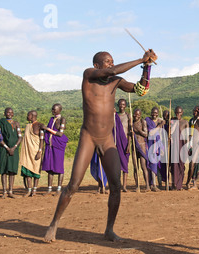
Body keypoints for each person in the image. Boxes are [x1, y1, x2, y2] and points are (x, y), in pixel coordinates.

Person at [44, 49, 157, 243]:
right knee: (73, 185)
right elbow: (109, 72)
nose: (110, 64)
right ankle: (54, 224)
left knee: (115, 185)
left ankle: (109, 229)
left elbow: (141, 90)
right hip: (88, 137)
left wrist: (146, 68)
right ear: (97, 65)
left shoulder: (116, 81)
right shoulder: (89, 75)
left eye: (112, 61)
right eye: (107, 61)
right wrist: (140, 58)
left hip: (107, 139)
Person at [41, 103, 69, 195]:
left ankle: (58, 189)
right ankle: (49, 189)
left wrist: (48, 129)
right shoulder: (51, 119)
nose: (53, 111)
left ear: (59, 110)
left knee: (59, 166)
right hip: (50, 146)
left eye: (54, 109)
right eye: (52, 109)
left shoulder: (62, 119)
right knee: (50, 167)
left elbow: (60, 134)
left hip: (59, 146)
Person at [0, 107, 22, 199]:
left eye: (11, 112)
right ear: (4, 113)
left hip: (14, 149)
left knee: (12, 170)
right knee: (4, 170)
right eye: (7, 112)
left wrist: (14, 147)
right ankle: (4, 192)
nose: (9, 114)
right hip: (4, 149)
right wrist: (7, 148)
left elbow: (20, 137)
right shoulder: (1, 123)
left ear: (13, 114)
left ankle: (10, 191)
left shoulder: (16, 124)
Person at [19, 111, 44, 197]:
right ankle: (29, 190)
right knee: (28, 171)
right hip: (27, 152)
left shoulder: (40, 125)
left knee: (36, 171)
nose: (27, 116)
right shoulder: (27, 126)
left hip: (36, 151)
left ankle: (34, 190)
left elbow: (41, 140)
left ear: (32, 116)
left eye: (28, 115)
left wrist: (40, 151)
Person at [131, 108, 152, 192]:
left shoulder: (143, 122)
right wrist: (131, 133)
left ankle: (147, 185)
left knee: (143, 167)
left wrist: (138, 130)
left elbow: (146, 134)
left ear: (140, 115)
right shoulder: (131, 123)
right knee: (136, 167)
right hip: (134, 147)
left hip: (142, 146)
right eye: (135, 114)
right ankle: (137, 186)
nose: (137, 116)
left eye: (138, 114)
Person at [145, 107, 165, 192]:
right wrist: (160, 125)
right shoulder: (148, 121)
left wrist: (162, 148)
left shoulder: (159, 121)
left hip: (158, 145)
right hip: (151, 145)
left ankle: (158, 183)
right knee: (152, 164)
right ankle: (153, 185)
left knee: (157, 164)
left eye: (156, 113)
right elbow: (151, 132)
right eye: (153, 112)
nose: (154, 114)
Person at [170, 106, 189, 190]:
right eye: (177, 112)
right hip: (174, 147)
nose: (178, 114)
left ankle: (180, 185)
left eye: (179, 112)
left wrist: (188, 147)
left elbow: (187, 136)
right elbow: (170, 133)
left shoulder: (185, 122)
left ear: (182, 113)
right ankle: (174, 184)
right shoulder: (172, 122)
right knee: (174, 166)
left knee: (181, 165)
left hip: (183, 146)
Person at [116, 99, 131, 192]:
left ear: (125, 105)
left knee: (125, 165)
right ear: (118, 105)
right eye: (120, 104)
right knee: (117, 166)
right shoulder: (115, 115)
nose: (122, 106)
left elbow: (130, 132)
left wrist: (129, 144)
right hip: (117, 143)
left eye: (123, 104)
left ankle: (124, 186)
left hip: (125, 143)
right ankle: (117, 185)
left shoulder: (128, 116)